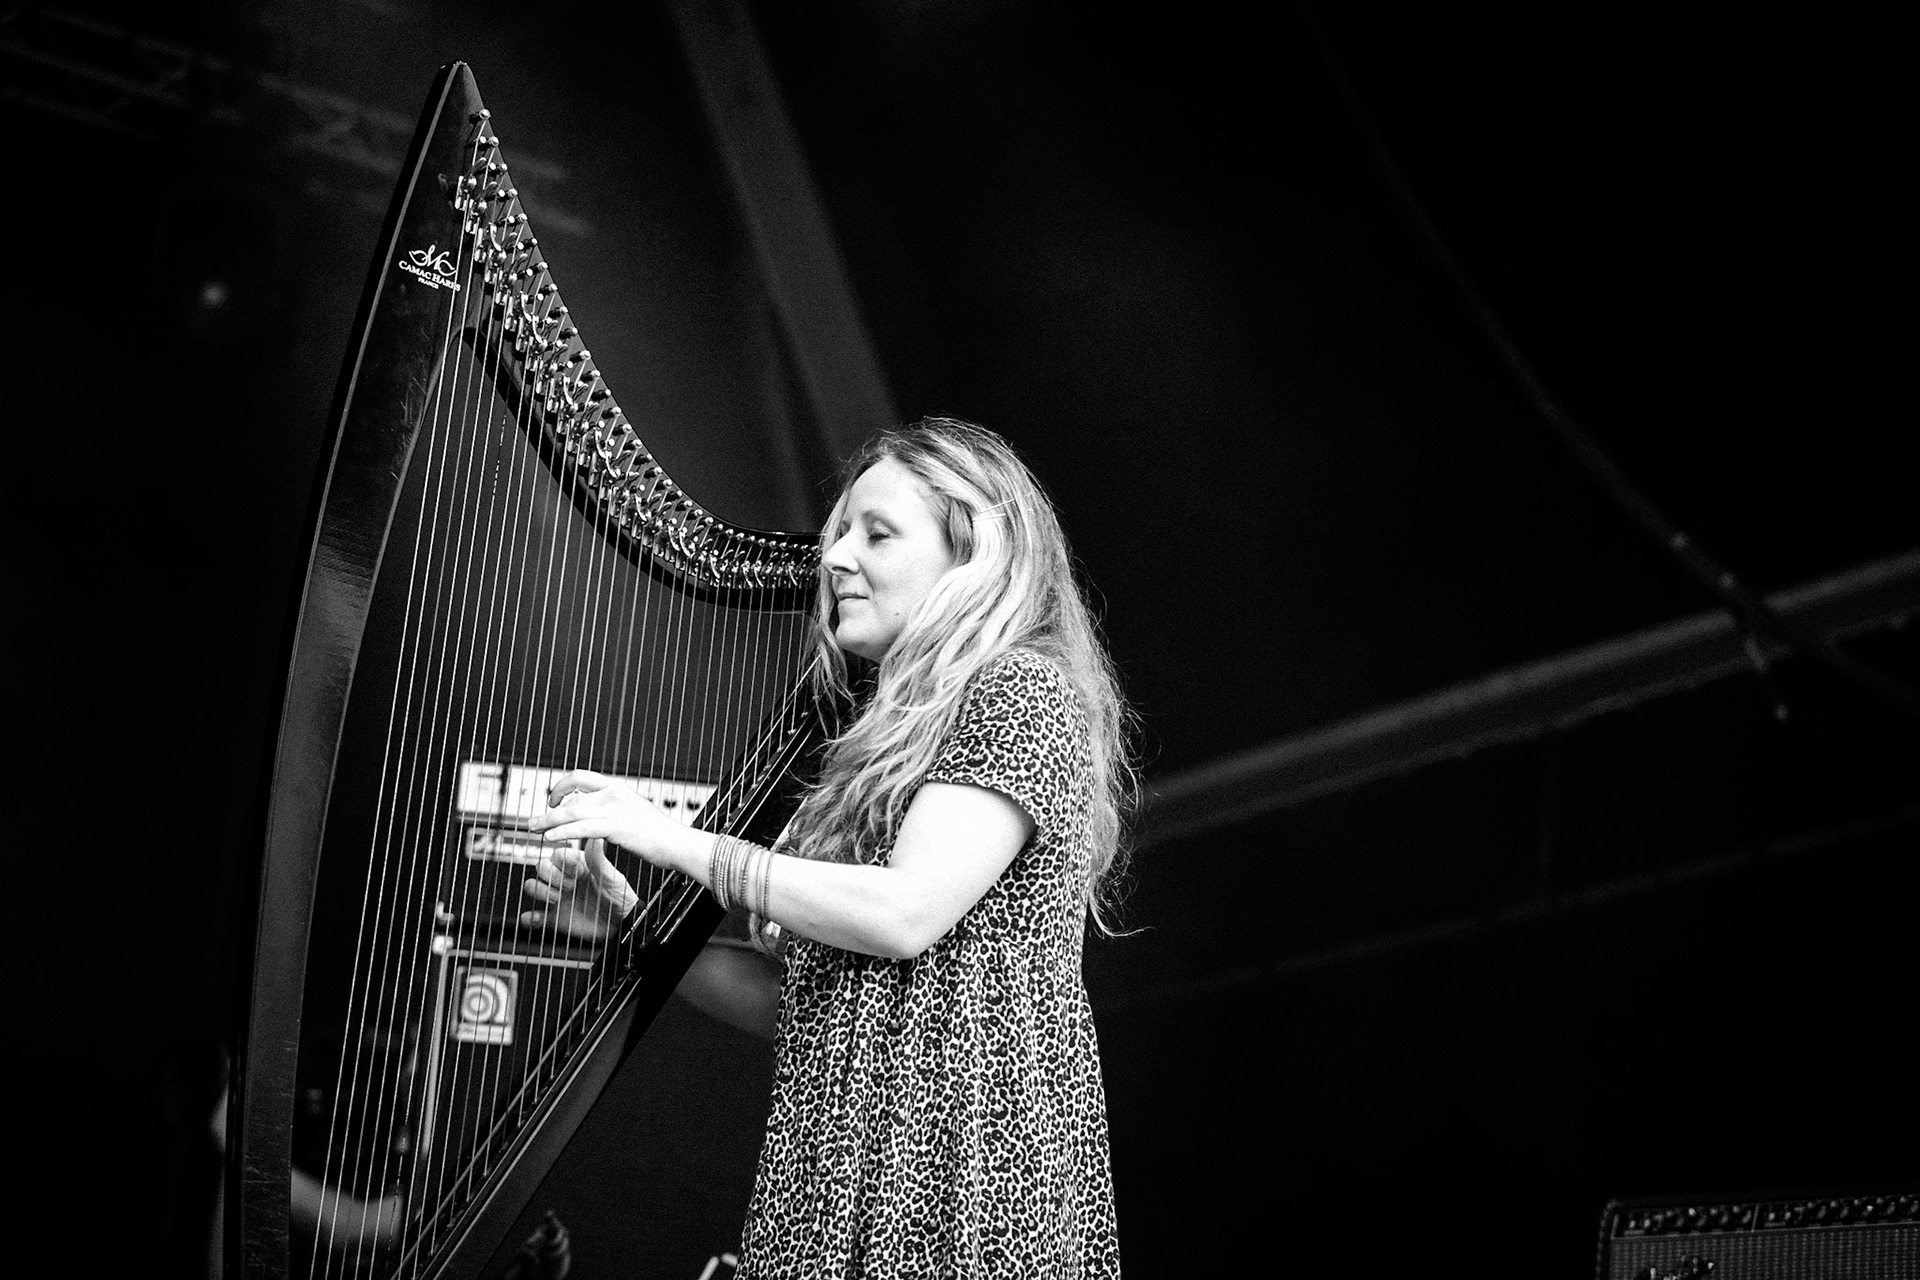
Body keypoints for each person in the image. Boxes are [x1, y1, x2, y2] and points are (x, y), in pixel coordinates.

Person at [522, 417, 1135, 1277]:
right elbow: (803, 1004)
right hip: (831, 1167)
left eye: (876, 533)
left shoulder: (1020, 689)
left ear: (977, 554)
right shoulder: (877, 740)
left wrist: (672, 842)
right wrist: (628, 926)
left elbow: (902, 914)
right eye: (838, 532)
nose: (835, 558)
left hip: (960, 1170)